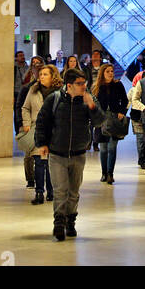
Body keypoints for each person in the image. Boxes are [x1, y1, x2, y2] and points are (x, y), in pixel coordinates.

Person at [33, 68, 107, 242]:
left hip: (78, 153)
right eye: (79, 84)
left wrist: (92, 106)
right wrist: (41, 143)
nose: (83, 87)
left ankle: (70, 221)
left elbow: (100, 121)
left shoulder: (88, 99)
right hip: (57, 153)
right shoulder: (55, 99)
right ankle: (58, 223)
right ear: (69, 85)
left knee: (73, 191)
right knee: (60, 191)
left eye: (84, 83)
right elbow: (42, 121)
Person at [21, 64, 62, 205]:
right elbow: (25, 107)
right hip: (37, 129)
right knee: (39, 162)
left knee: (51, 162)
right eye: (41, 74)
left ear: (53, 76)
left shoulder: (60, 92)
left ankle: (51, 191)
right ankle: (39, 192)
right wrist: (26, 123)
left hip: (55, 131)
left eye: (45, 74)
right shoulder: (33, 90)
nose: (42, 76)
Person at [94, 62, 128, 183]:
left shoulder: (118, 85)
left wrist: (122, 112)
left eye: (112, 71)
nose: (110, 73)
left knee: (112, 147)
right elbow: (93, 104)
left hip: (114, 119)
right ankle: (103, 173)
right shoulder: (97, 86)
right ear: (102, 73)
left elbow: (125, 100)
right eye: (107, 71)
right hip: (101, 120)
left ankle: (110, 174)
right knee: (103, 148)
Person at [14, 55, 44, 189]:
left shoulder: (51, 89)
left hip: (43, 125)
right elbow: (20, 106)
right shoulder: (27, 88)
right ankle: (30, 179)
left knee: (42, 155)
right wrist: (21, 124)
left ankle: (42, 181)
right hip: (29, 125)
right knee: (29, 154)